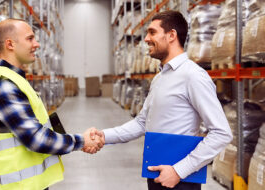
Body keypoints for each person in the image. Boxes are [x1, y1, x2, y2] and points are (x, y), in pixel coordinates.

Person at [87, 10, 233, 190]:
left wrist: (179, 171)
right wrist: (104, 136)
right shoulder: (160, 78)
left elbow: (222, 133)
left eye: (152, 32)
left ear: (172, 35)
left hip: (181, 180)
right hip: (157, 174)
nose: (146, 39)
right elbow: (142, 123)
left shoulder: (193, 76)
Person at [0, 19, 104, 190]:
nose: (37, 44)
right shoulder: (3, 85)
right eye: (30, 38)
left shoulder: (14, 79)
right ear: (10, 44)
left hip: (23, 182)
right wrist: (81, 141)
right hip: (13, 184)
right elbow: (37, 139)